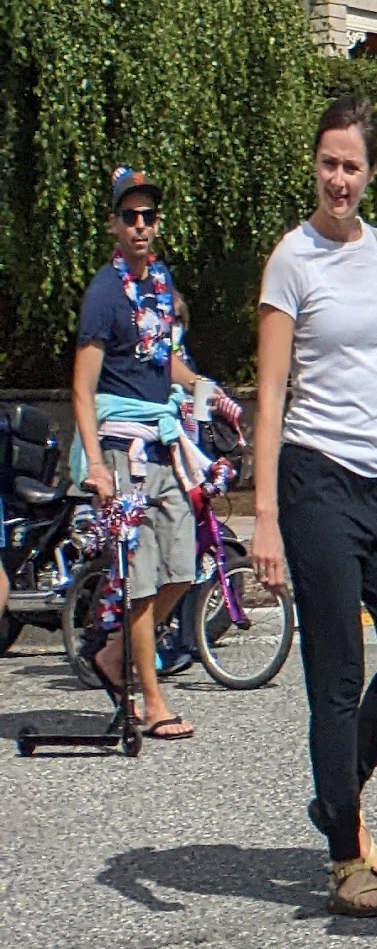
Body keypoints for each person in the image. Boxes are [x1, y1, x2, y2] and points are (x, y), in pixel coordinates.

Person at [250, 95, 377, 917]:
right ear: (315, 166)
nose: (338, 178)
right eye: (328, 162)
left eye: (351, 165)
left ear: (369, 173)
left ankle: (338, 790)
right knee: (336, 675)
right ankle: (344, 856)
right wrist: (263, 519)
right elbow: (268, 397)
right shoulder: (290, 261)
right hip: (313, 480)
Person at [74, 165, 208, 741]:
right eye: (129, 216)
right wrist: (96, 465)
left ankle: (111, 654)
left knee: (185, 564)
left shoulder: (159, 282)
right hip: (122, 449)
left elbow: (162, 361)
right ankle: (150, 699)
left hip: (163, 444)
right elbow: (81, 386)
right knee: (142, 579)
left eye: (148, 215)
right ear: (113, 224)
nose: (140, 225)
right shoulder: (105, 294)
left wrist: (210, 391)